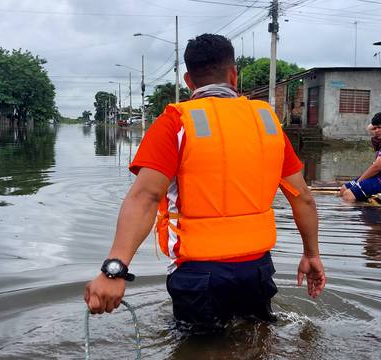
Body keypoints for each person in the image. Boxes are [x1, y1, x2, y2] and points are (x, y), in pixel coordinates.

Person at [84, 34, 326, 327]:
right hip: (258, 269)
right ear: (234, 74)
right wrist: (311, 253)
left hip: (198, 275)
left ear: (188, 80)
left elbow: (144, 197)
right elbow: (303, 196)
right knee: (256, 342)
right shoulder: (267, 123)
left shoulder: (175, 123)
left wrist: (115, 270)